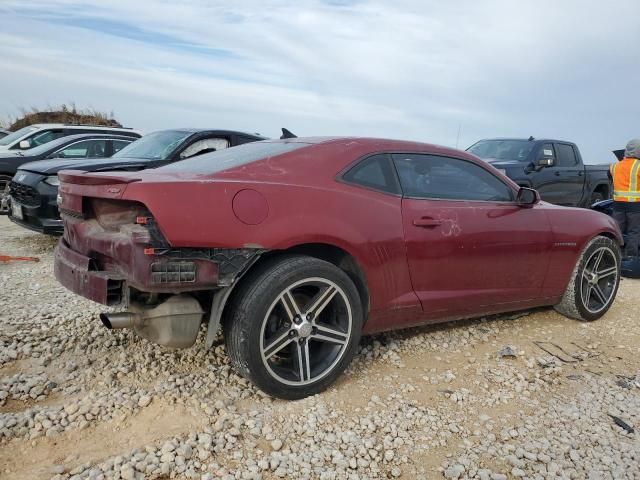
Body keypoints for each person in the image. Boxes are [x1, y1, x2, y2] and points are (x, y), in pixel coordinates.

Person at [610, 138, 640, 257]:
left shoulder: (614, 166)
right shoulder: (638, 166)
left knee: (617, 232)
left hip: (617, 205)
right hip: (635, 206)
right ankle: (631, 258)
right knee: (633, 232)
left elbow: (611, 180)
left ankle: (613, 256)